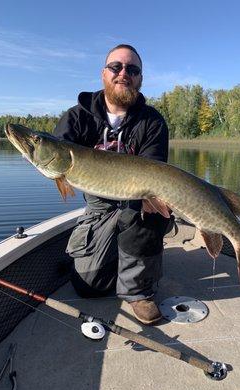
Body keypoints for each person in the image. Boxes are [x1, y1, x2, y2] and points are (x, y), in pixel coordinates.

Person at [54, 44, 174, 325]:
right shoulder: (77, 116)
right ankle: (124, 261)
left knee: (146, 213)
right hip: (99, 211)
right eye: (116, 67)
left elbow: (153, 179)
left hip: (139, 206)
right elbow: (57, 156)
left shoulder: (152, 122)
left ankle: (138, 291)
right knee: (88, 287)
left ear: (140, 78)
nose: (124, 74)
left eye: (133, 70)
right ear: (103, 74)